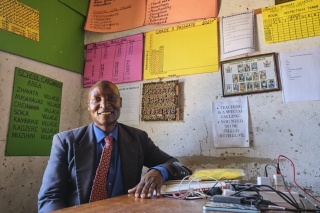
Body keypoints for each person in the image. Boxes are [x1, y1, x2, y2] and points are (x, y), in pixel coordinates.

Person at [38, 80, 179, 212]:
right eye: (97, 99)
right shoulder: (65, 142)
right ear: (89, 106)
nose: (105, 105)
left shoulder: (138, 138)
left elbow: (174, 163)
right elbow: (50, 197)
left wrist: (159, 172)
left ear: (120, 102)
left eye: (112, 98)